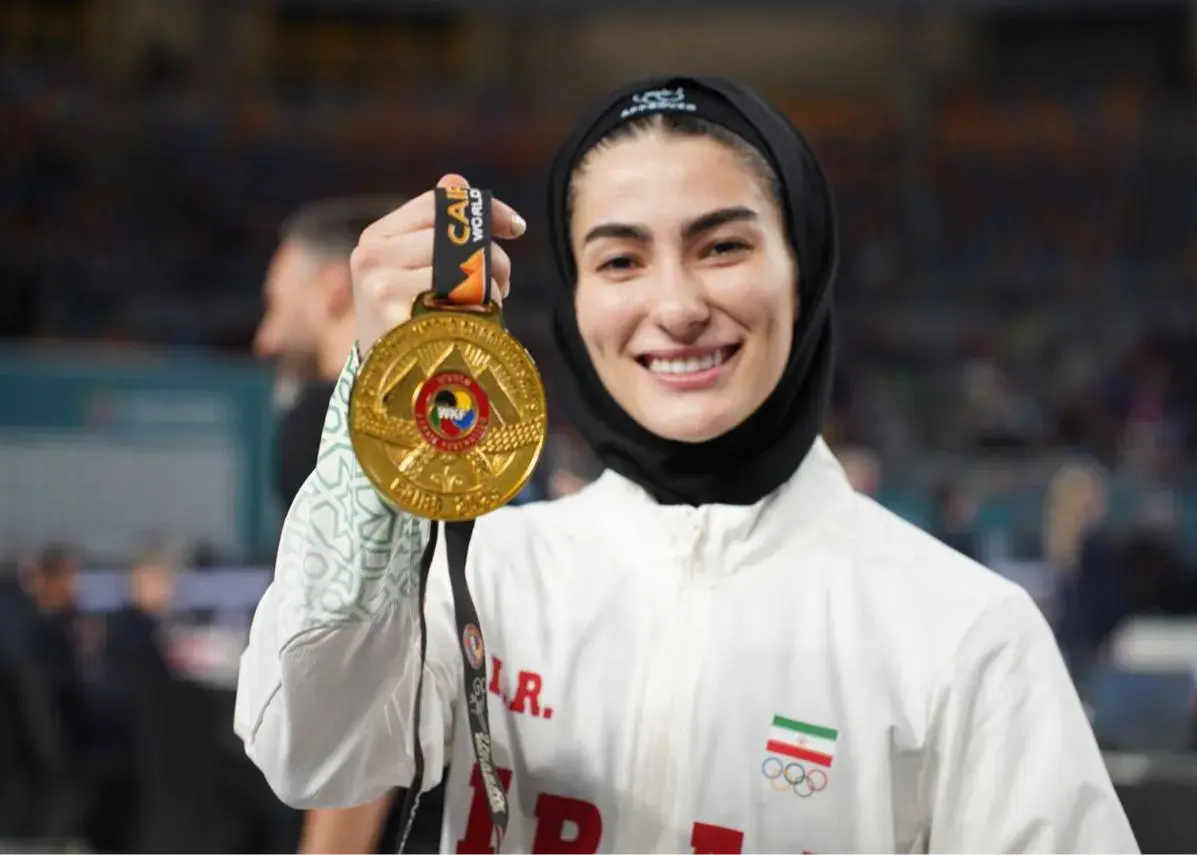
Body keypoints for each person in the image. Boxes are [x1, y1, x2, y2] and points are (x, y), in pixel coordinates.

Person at [235, 77, 1139, 853]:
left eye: (722, 247)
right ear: (576, 300)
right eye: (620, 259)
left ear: (802, 268)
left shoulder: (964, 631)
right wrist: (379, 399)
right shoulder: (488, 576)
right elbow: (309, 750)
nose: (675, 306)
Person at [254, 196, 440, 855]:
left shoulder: (329, 429)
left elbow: (363, 664)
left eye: (276, 304)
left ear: (335, 288)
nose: (264, 338)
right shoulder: (437, 422)